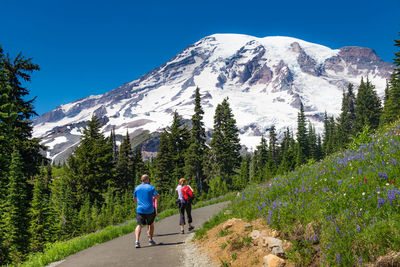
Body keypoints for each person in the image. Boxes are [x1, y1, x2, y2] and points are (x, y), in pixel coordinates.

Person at [133, 174, 159, 248]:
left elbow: (134, 198)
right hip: (150, 209)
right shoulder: (151, 187)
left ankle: (137, 241)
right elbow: (156, 196)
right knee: (150, 224)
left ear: (141, 180)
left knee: (139, 225)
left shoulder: (137, 188)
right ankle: (150, 240)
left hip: (140, 209)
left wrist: (139, 203)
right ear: (147, 179)